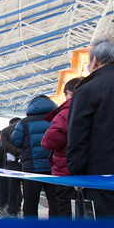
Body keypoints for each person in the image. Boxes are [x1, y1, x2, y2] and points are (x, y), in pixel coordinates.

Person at [68, 35, 114, 217]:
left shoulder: (88, 89)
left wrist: (77, 174)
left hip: (104, 176)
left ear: (95, 60)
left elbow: (77, 137)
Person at [41, 77, 83, 217]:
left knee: (66, 210)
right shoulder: (102, 105)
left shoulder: (66, 112)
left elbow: (50, 141)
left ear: (70, 92)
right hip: (97, 171)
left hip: (67, 171)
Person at [11, 96, 59, 218]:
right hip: (54, 166)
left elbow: (16, 141)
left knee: (30, 201)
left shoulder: (23, 122)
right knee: (55, 201)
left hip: (31, 168)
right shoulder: (57, 118)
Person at [1, 117, 23, 217]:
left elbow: (5, 145)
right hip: (26, 160)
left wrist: (16, 152)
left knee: (13, 186)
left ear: (10, 123)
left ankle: (13, 209)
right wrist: (22, 153)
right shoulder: (25, 125)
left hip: (12, 162)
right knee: (28, 187)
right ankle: (25, 208)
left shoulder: (5, 131)